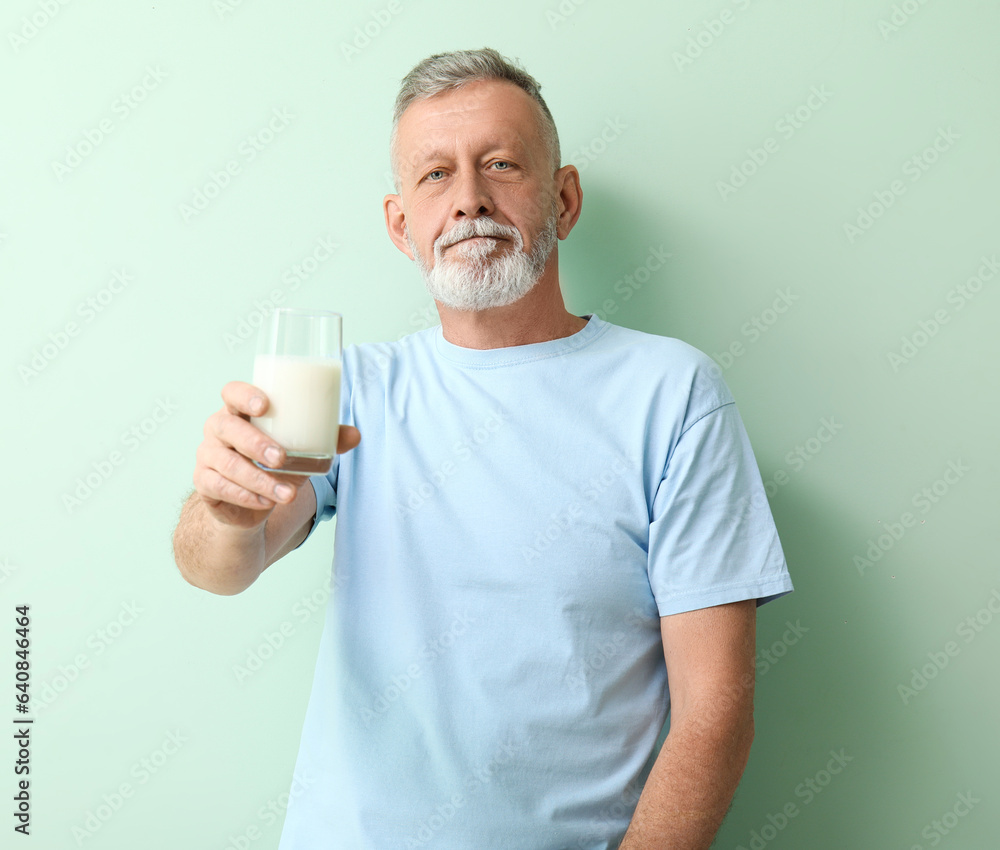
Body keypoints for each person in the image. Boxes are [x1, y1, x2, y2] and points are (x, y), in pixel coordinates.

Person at [172, 47, 794, 850]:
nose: (468, 200)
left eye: (501, 165)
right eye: (435, 175)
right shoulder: (344, 388)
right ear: (402, 226)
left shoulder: (673, 393)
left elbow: (715, 716)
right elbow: (220, 565)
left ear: (563, 200)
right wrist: (224, 510)